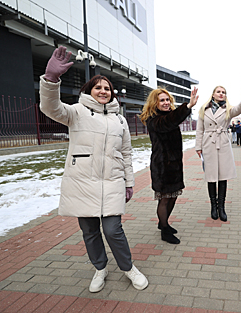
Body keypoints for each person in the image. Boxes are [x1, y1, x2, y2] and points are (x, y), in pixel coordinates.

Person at [39, 46, 148, 293]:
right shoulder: (77, 112)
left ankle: (128, 267)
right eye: (98, 87)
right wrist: (51, 80)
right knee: (89, 231)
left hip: (112, 182)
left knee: (113, 229)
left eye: (107, 88)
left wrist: (129, 182)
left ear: (111, 94)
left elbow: (127, 153)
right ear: (89, 90)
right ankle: (100, 268)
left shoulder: (120, 120)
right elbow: (51, 108)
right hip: (82, 182)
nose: (103, 91)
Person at [139, 87, 198, 244]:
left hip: (174, 166)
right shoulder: (154, 120)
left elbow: (172, 118)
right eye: (162, 100)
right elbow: (169, 121)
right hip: (162, 167)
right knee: (165, 199)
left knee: (173, 196)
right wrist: (188, 106)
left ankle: (163, 222)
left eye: (167, 100)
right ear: (155, 103)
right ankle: (164, 229)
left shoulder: (168, 116)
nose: (166, 103)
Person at [195, 80, 241, 221]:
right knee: (211, 177)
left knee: (222, 177)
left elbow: (239, 108)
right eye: (219, 91)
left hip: (223, 144)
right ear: (213, 94)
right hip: (208, 144)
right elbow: (199, 130)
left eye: (224, 92)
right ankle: (213, 207)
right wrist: (198, 147)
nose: (221, 94)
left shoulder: (228, 109)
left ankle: (221, 208)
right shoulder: (203, 109)